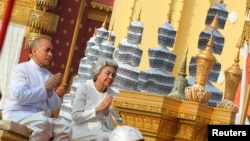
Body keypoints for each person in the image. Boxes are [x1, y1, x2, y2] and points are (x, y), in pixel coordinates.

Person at [2, 38, 72, 141]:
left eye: (52, 51)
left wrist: (50, 91)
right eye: (47, 50)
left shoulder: (49, 75)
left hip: (39, 117)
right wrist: (45, 89)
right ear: (34, 51)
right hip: (18, 113)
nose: (50, 54)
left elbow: (55, 105)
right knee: (42, 122)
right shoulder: (20, 69)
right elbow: (20, 96)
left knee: (65, 127)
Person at [71, 58, 118, 141]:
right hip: (82, 129)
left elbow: (112, 127)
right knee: (101, 137)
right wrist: (98, 109)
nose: (110, 77)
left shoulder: (113, 95)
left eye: (113, 75)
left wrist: (107, 113)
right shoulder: (84, 88)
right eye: (107, 73)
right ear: (97, 73)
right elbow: (76, 117)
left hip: (103, 131)